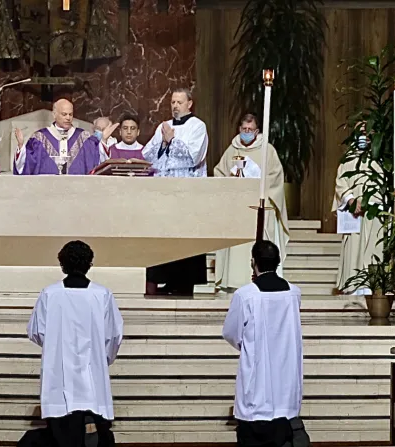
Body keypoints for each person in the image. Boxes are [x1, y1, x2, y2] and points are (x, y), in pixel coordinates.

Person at [27, 240, 123, 447]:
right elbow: (114, 335)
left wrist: (55, 347)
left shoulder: (50, 294)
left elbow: (36, 331)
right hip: (92, 375)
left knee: (60, 435)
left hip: (59, 376)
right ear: (89, 264)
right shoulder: (102, 295)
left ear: (62, 264)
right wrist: (102, 359)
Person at [222, 241, 303, 447]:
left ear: (253, 262)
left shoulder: (245, 295)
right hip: (286, 376)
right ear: (278, 262)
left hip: (257, 379)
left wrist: (250, 347)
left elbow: (231, 332)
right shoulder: (293, 293)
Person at [142, 88, 209, 296]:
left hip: (187, 195)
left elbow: (194, 157)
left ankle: (184, 283)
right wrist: (163, 142)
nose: (175, 106)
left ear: (190, 104)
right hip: (164, 194)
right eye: (172, 102)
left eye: (179, 102)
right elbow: (147, 156)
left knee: (185, 239)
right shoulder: (164, 127)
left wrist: (172, 141)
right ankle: (165, 280)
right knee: (164, 237)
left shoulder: (198, 126)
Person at [214, 113, 290, 290]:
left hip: (258, 206)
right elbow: (219, 173)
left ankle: (261, 278)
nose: (246, 132)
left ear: (257, 131)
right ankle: (233, 281)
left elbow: (276, 176)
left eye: (250, 129)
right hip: (237, 208)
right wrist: (233, 179)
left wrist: (258, 182)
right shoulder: (232, 150)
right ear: (239, 129)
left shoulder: (267, 150)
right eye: (244, 129)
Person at [333, 124, 383, 295]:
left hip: (376, 215)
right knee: (354, 249)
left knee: (375, 248)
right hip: (354, 213)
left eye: (367, 133)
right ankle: (353, 287)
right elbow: (340, 182)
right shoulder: (348, 160)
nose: (364, 137)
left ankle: (375, 288)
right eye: (360, 133)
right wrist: (350, 199)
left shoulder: (381, 159)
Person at [13, 99, 116, 175]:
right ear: (54, 114)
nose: (68, 118)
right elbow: (26, 167)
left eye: (70, 114)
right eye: (64, 114)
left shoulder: (84, 138)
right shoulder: (39, 138)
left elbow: (98, 163)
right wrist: (21, 147)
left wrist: (103, 140)